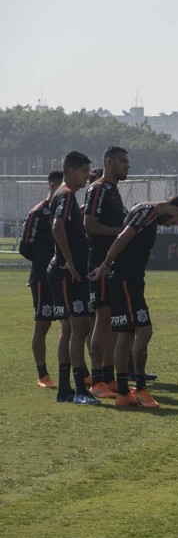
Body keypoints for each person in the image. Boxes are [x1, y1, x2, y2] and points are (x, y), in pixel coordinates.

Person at [88, 196, 178, 407]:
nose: (170, 225)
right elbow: (124, 237)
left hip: (129, 280)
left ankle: (124, 392)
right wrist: (106, 264)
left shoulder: (143, 210)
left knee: (125, 334)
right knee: (143, 331)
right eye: (174, 221)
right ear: (174, 208)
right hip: (126, 281)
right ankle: (139, 389)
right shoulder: (149, 212)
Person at [48, 151, 97, 405]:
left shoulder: (65, 195)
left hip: (66, 273)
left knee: (68, 329)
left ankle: (65, 390)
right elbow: (57, 226)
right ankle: (79, 390)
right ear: (70, 171)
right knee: (80, 328)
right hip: (68, 274)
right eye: (84, 172)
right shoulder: (66, 194)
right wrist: (68, 260)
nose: (87, 176)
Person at [83, 146, 129, 397]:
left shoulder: (113, 190)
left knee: (112, 321)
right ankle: (97, 381)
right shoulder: (98, 188)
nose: (127, 165)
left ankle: (109, 378)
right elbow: (89, 225)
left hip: (112, 264)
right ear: (109, 161)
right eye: (123, 161)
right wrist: (123, 233)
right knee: (101, 321)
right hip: (99, 262)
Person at [19, 170, 64, 389]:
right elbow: (24, 247)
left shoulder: (69, 211)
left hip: (64, 277)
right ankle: (42, 374)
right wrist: (44, 263)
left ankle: (78, 372)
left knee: (72, 324)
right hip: (42, 279)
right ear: (52, 184)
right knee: (43, 325)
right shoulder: (37, 213)